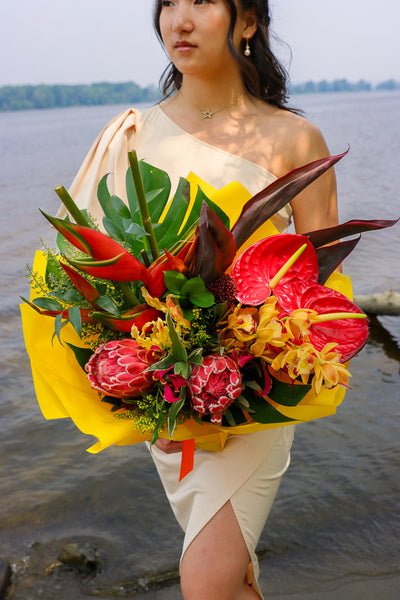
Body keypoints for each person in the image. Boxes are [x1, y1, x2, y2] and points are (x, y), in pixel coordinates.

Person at [64, 1, 339, 598]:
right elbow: (91, 281)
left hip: (255, 398)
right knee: (226, 577)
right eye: (168, 4)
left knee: (204, 584)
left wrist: (252, 360)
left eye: (203, 2)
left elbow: (319, 291)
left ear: (247, 22)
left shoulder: (295, 138)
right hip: (166, 403)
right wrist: (145, 394)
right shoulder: (130, 134)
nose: (178, 21)